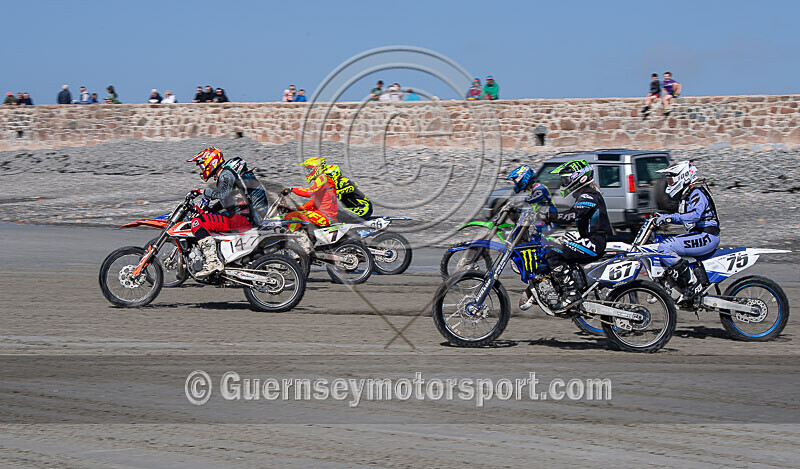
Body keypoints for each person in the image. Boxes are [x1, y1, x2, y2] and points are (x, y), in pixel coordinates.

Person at [186, 147, 269, 277]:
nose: (201, 169)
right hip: (240, 216)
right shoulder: (225, 175)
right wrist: (209, 210)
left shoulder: (226, 174)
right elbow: (228, 199)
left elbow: (222, 194)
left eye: (202, 165)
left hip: (239, 218)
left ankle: (213, 262)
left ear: (210, 162)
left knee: (198, 223)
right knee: (208, 217)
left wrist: (202, 191)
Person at [541, 160, 611, 308]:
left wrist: (548, 215)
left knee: (553, 253)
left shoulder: (588, 195)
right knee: (550, 243)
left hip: (594, 242)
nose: (564, 183)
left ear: (580, 178)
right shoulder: (585, 194)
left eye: (566, 179)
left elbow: (572, 215)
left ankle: (571, 293)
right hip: (590, 239)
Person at [652, 161, 719, 303]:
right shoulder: (686, 194)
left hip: (707, 235)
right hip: (700, 234)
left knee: (665, 248)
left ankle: (692, 284)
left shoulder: (696, 193)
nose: (669, 183)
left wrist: (669, 218)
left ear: (682, 177)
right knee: (660, 241)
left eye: (671, 179)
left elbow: (695, 215)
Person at [281, 157, 338, 232]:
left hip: (325, 216)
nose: (308, 172)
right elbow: (316, 200)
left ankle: (299, 238)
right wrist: (302, 207)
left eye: (309, 170)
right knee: (295, 213)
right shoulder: (323, 180)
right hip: (323, 214)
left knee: (291, 216)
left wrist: (291, 189)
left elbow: (308, 192)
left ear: (317, 168)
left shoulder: (323, 178)